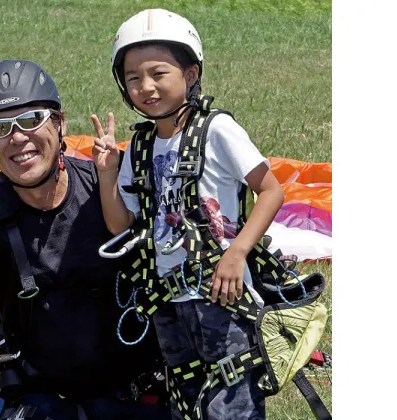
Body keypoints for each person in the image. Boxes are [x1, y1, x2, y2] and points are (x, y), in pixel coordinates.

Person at [0, 59, 170, 420]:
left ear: (60, 124)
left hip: (138, 397)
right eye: (0, 127)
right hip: (46, 401)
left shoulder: (109, 189)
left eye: (32, 120)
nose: (18, 137)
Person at [90, 9, 286, 420]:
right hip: (168, 301)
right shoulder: (141, 147)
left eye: (159, 73)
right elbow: (119, 225)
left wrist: (236, 254)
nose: (146, 87)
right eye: (133, 78)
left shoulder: (217, 130)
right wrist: (107, 173)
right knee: (186, 403)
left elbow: (271, 190)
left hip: (222, 295)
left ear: (191, 74)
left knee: (233, 402)